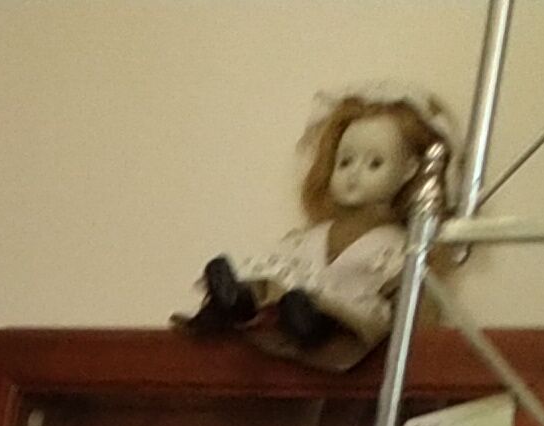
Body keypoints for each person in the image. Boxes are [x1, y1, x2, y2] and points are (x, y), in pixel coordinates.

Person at [180, 88, 452, 365]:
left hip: (348, 325)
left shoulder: (400, 247)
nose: (354, 174)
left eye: (374, 164)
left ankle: (309, 324)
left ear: (409, 170)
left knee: (342, 318)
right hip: (292, 304)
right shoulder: (310, 237)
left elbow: (418, 312)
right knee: (273, 279)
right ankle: (237, 302)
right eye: (345, 162)